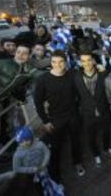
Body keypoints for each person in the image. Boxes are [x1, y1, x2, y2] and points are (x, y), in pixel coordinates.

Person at [33, 50, 85, 182]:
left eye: (61, 61)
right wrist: (45, 121)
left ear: (66, 62)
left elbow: (87, 74)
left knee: (76, 141)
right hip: (56, 118)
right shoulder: (43, 79)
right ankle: (55, 172)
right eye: (54, 62)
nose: (58, 65)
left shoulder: (72, 74)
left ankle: (77, 162)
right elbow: (38, 102)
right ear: (51, 63)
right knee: (55, 146)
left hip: (73, 115)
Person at [74, 51, 111, 167]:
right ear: (80, 63)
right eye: (83, 61)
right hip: (87, 113)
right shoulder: (76, 77)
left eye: (88, 60)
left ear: (93, 61)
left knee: (106, 132)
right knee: (90, 136)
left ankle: (106, 148)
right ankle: (96, 154)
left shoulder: (103, 74)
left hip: (104, 110)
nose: (86, 63)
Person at [13, 126, 64, 196]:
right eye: (22, 141)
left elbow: (47, 152)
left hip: (46, 168)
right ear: (18, 142)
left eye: (27, 140)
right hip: (34, 175)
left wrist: (44, 163)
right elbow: (16, 168)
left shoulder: (39, 144)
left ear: (31, 137)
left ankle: (56, 190)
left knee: (52, 178)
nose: (25, 143)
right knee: (39, 188)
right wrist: (31, 169)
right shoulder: (18, 154)